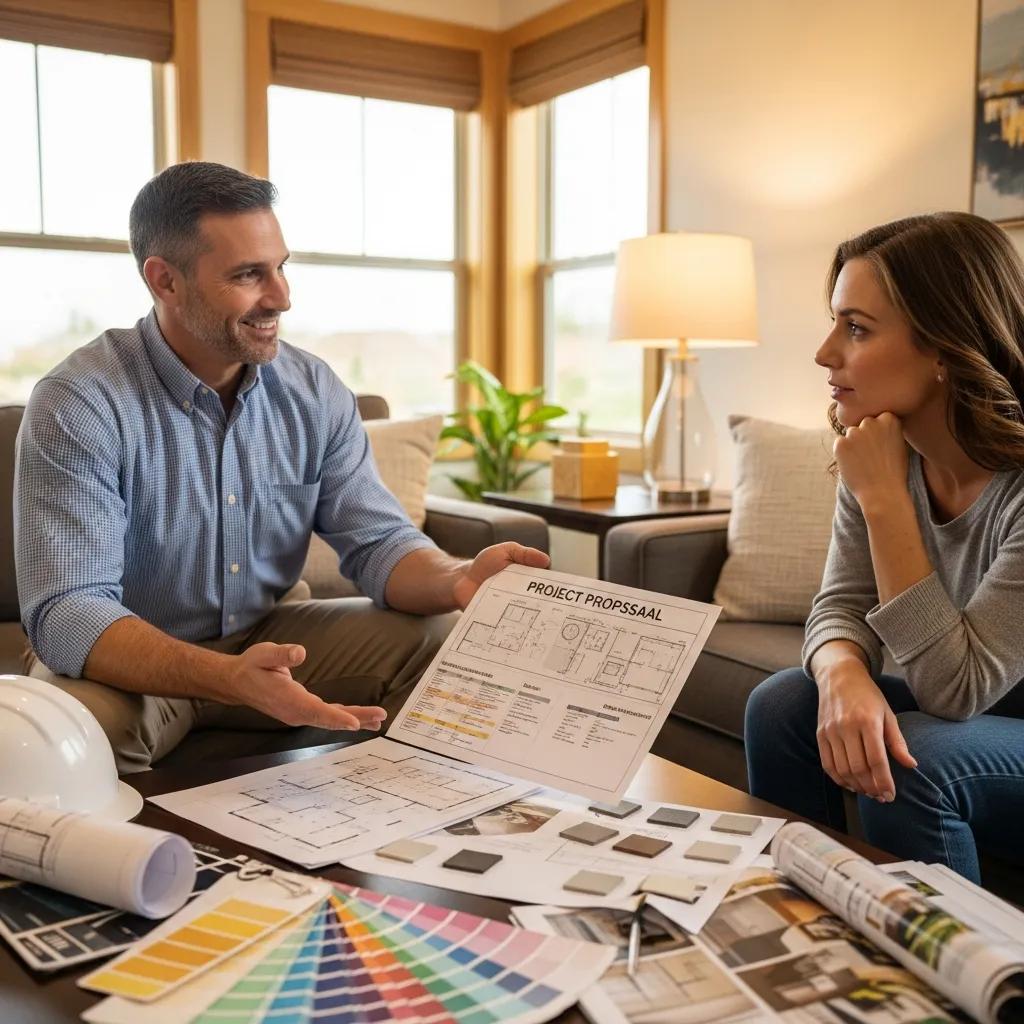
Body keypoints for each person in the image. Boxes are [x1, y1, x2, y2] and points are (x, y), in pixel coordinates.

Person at [15, 161, 549, 773]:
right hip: (132, 661)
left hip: (272, 635)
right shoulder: (82, 402)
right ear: (165, 280)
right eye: (248, 275)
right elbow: (68, 612)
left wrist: (456, 578)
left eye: (281, 267)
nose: (281, 297)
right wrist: (226, 677)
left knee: (440, 638)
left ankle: (379, 828)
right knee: (65, 741)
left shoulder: (313, 389)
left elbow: (378, 541)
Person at [744, 212, 1024, 883]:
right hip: (983, 710)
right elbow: (839, 604)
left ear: (942, 349)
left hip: (994, 709)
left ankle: (948, 975)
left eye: (857, 328)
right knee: (783, 703)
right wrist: (844, 677)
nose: (825, 352)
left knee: (916, 755)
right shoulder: (884, 450)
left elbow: (956, 691)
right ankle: (803, 915)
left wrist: (886, 504)